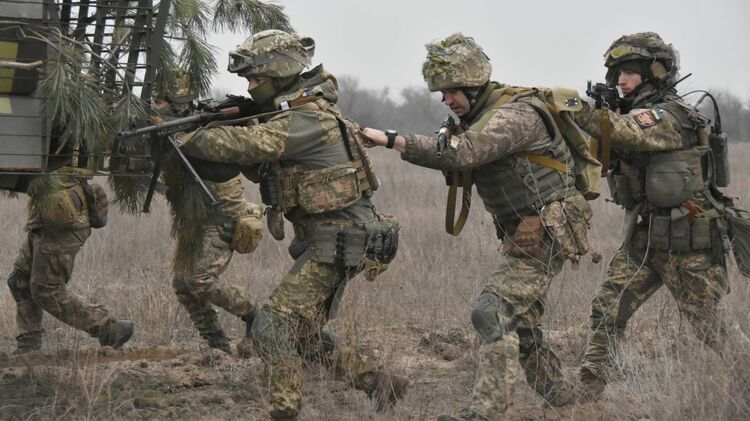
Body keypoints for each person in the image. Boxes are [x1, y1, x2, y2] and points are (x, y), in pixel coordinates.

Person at [177, 30, 407, 420]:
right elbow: (258, 164)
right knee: (301, 334)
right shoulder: (294, 113)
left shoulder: (306, 118)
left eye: (256, 79)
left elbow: (246, 145)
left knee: (269, 327)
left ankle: (284, 408)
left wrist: (187, 136)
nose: (250, 87)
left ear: (280, 73)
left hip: (341, 240)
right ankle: (379, 383)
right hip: (329, 240)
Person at [362, 33, 593, 420]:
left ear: (473, 84)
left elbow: (464, 153)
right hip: (524, 232)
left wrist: (391, 140)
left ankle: (487, 412)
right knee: (522, 323)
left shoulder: (515, 115)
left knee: (491, 311)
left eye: (452, 91)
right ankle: (561, 394)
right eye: (442, 93)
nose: (446, 100)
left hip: (548, 230)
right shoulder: (478, 117)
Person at [573, 32, 730, 400]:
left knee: (710, 326)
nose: (621, 80)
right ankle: (590, 386)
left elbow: (628, 132)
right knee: (608, 306)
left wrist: (575, 108)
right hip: (645, 237)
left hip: (689, 241)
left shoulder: (669, 116)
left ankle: (743, 379)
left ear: (656, 72)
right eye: (617, 74)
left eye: (629, 72)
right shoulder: (627, 114)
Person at [152, 73, 261, 354]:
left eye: (160, 101)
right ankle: (217, 345)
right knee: (183, 285)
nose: (155, 106)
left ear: (177, 102)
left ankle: (254, 314)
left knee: (199, 281)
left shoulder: (208, 130)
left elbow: (208, 149)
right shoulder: (170, 131)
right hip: (195, 219)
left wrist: (179, 135)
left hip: (221, 217)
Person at [6, 170, 133, 354]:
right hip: (47, 214)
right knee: (20, 281)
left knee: (46, 289)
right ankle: (29, 347)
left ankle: (107, 328)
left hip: (62, 215)